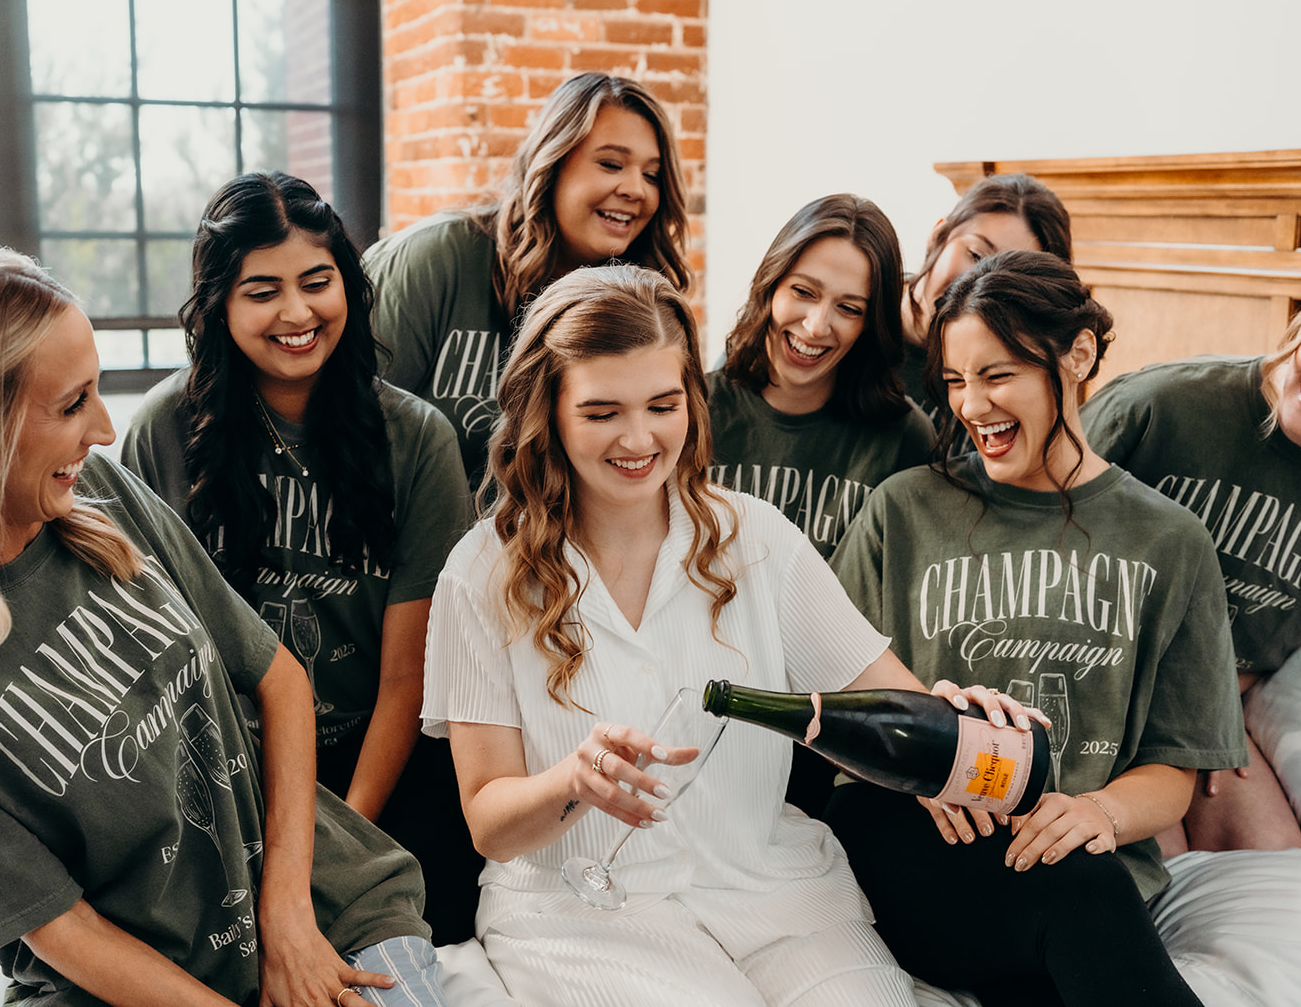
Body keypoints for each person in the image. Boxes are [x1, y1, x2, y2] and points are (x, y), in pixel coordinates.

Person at [0, 245, 446, 1007]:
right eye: (71, 404)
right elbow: (59, 925)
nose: (103, 428)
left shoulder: (97, 491)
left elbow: (279, 678)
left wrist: (289, 920)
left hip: (324, 912)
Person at [420, 264, 1034, 1006]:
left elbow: (890, 706)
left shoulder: (758, 538)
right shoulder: (481, 573)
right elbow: (489, 823)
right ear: (546, 412)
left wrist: (958, 720)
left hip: (776, 894)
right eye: (602, 412)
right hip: (582, 912)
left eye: (663, 404)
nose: (639, 438)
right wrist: (572, 782)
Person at [827, 250, 1245, 1007]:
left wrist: (1095, 812)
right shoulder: (903, 510)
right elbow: (831, 694)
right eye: (954, 380)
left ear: (1077, 355)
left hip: (1071, 859)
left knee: (1074, 890)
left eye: (997, 374)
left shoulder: (1171, 542)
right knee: (1080, 890)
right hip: (915, 840)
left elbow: (1174, 772)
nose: (971, 404)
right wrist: (924, 746)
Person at [122, 172, 482, 945]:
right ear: (218, 303)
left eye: (317, 282)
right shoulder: (162, 430)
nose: (297, 313)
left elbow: (407, 677)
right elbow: (146, 651)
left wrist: (334, 839)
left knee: (428, 940)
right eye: (263, 291)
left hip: (375, 758)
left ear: (348, 284)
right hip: (224, 762)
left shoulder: (419, 438)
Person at [1080, 242, 1301, 853]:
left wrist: (1206, 712)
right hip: (1082, 673)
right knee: (1145, 854)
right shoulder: (1158, 405)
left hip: (1208, 707)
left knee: (1273, 862)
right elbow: (1014, 530)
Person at [364, 71, 690, 490]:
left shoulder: (644, 305)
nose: (636, 189)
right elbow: (350, 423)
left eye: (652, 175)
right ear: (552, 162)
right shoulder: (434, 259)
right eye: (611, 164)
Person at [709, 193, 934, 561]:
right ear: (771, 284)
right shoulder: (692, 409)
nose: (816, 326)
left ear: (870, 324)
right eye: (803, 291)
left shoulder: (905, 438)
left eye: (849, 308)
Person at [901, 174, 1072, 430]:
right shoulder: (854, 316)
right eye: (976, 255)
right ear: (938, 235)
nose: (977, 287)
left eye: (1008, 282)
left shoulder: (1008, 384)